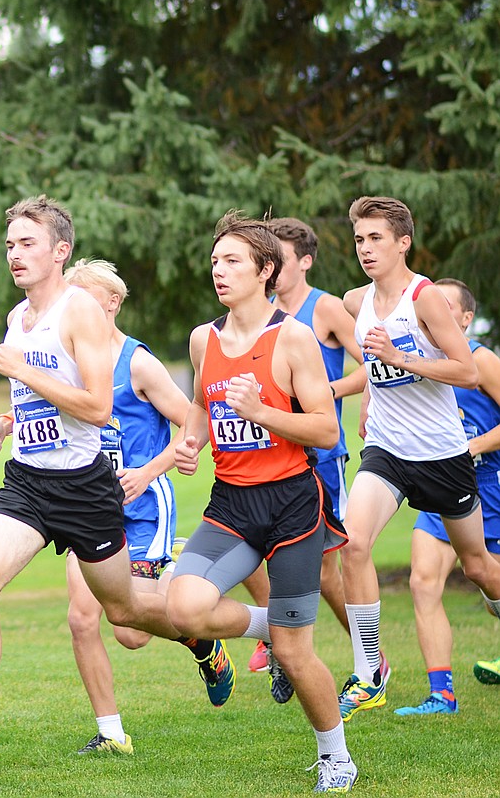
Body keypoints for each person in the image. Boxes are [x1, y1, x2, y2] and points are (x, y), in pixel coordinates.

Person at [0, 196, 215, 766]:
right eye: (9, 244)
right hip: (28, 483)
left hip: (85, 489)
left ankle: (202, 638)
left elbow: (100, 407)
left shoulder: (80, 312)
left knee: (126, 614)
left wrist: (23, 369)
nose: (15, 254)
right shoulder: (17, 317)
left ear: (61, 252)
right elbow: (36, 405)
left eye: (27, 243)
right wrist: (1, 426)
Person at [166, 212, 356, 792]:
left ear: (266, 270)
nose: (218, 271)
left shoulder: (292, 337)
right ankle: (266, 628)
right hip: (232, 502)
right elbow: (203, 402)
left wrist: (263, 413)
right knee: (184, 610)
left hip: (293, 505)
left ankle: (336, 756)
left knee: (299, 656)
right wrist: (191, 438)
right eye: (216, 260)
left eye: (232, 262)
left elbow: (325, 430)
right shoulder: (205, 338)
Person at [337, 196, 500, 723]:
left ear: (403, 242)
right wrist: (365, 406)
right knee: (354, 540)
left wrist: (402, 357)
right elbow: (372, 368)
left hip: (443, 457)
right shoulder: (353, 300)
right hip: (387, 451)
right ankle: (369, 671)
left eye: (376, 238)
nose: (366, 249)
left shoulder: (425, 298)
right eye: (360, 239)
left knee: (478, 569)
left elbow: (468, 371)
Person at [61, 258, 232, 755]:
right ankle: (111, 734)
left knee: (130, 633)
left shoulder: (137, 362)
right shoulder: (71, 360)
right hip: (88, 504)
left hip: (143, 508)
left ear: (111, 302)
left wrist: (149, 471)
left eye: (82, 295)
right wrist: (3, 426)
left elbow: (192, 424)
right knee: (80, 617)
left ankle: (202, 637)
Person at [243, 217, 367, 677]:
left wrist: (325, 393)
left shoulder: (326, 308)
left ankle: (370, 659)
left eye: (281, 258)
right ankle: (277, 637)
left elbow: (370, 363)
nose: (272, 267)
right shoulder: (261, 310)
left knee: (324, 574)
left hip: (320, 457)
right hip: (269, 455)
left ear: (306, 261)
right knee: (246, 547)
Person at [394, 278, 500, 716]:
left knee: (485, 577)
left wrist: (469, 449)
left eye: (441, 305)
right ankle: (442, 694)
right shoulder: (419, 361)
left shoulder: (481, 360)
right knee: (423, 583)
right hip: (441, 490)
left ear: (465, 319)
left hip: (489, 492)